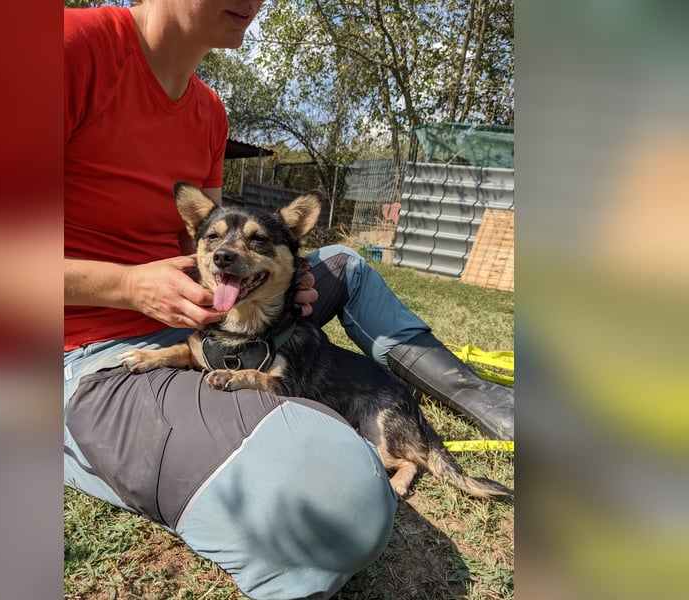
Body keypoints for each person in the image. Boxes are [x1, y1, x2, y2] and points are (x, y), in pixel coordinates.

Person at [63, 1, 513, 598]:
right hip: (88, 346)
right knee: (337, 506)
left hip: (208, 318)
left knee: (347, 266)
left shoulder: (208, 110)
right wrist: (126, 285)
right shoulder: (63, 48)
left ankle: (484, 401)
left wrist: (274, 278)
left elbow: (214, 240)